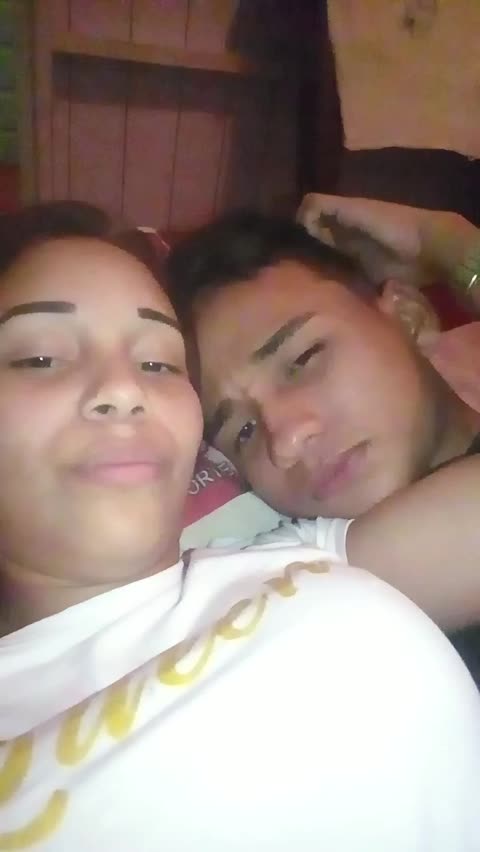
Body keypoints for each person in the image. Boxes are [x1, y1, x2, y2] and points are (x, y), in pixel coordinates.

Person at [1, 204, 480, 851]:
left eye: (157, 364)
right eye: (39, 357)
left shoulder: (300, 564)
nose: (124, 389)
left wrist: (450, 245)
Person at [166, 208, 480, 634]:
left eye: (303, 359)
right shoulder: (282, 575)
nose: (287, 440)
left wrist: (444, 241)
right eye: (243, 432)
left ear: (408, 317)